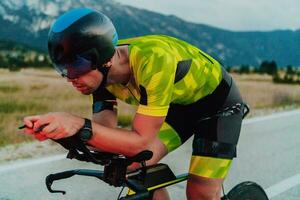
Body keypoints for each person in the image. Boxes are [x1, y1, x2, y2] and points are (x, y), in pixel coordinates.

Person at [23, 8, 246, 200]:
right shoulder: (99, 74)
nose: (71, 78)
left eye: (76, 68)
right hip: (177, 107)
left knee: (200, 192)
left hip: (218, 106)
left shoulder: (153, 60)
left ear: (104, 59)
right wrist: (65, 132)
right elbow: (105, 131)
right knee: (132, 166)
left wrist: (78, 124)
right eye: (63, 70)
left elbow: (140, 142)